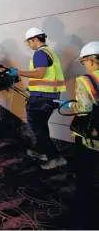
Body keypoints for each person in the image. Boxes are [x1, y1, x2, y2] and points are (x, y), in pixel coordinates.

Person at [8, 27, 67, 169]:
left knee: (37, 128)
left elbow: (40, 74)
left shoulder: (40, 53)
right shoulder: (49, 52)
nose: (28, 45)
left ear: (34, 39)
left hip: (41, 99)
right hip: (49, 96)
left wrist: (18, 72)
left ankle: (55, 157)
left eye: (28, 42)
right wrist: (32, 87)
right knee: (41, 127)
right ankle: (42, 151)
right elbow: (46, 77)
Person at [64, 41, 99, 229]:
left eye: (84, 61)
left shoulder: (86, 80)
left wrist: (71, 105)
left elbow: (84, 109)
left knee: (86, 173)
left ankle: (83, 215)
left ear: (92, 61)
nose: (84, 65)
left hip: (92, 138)